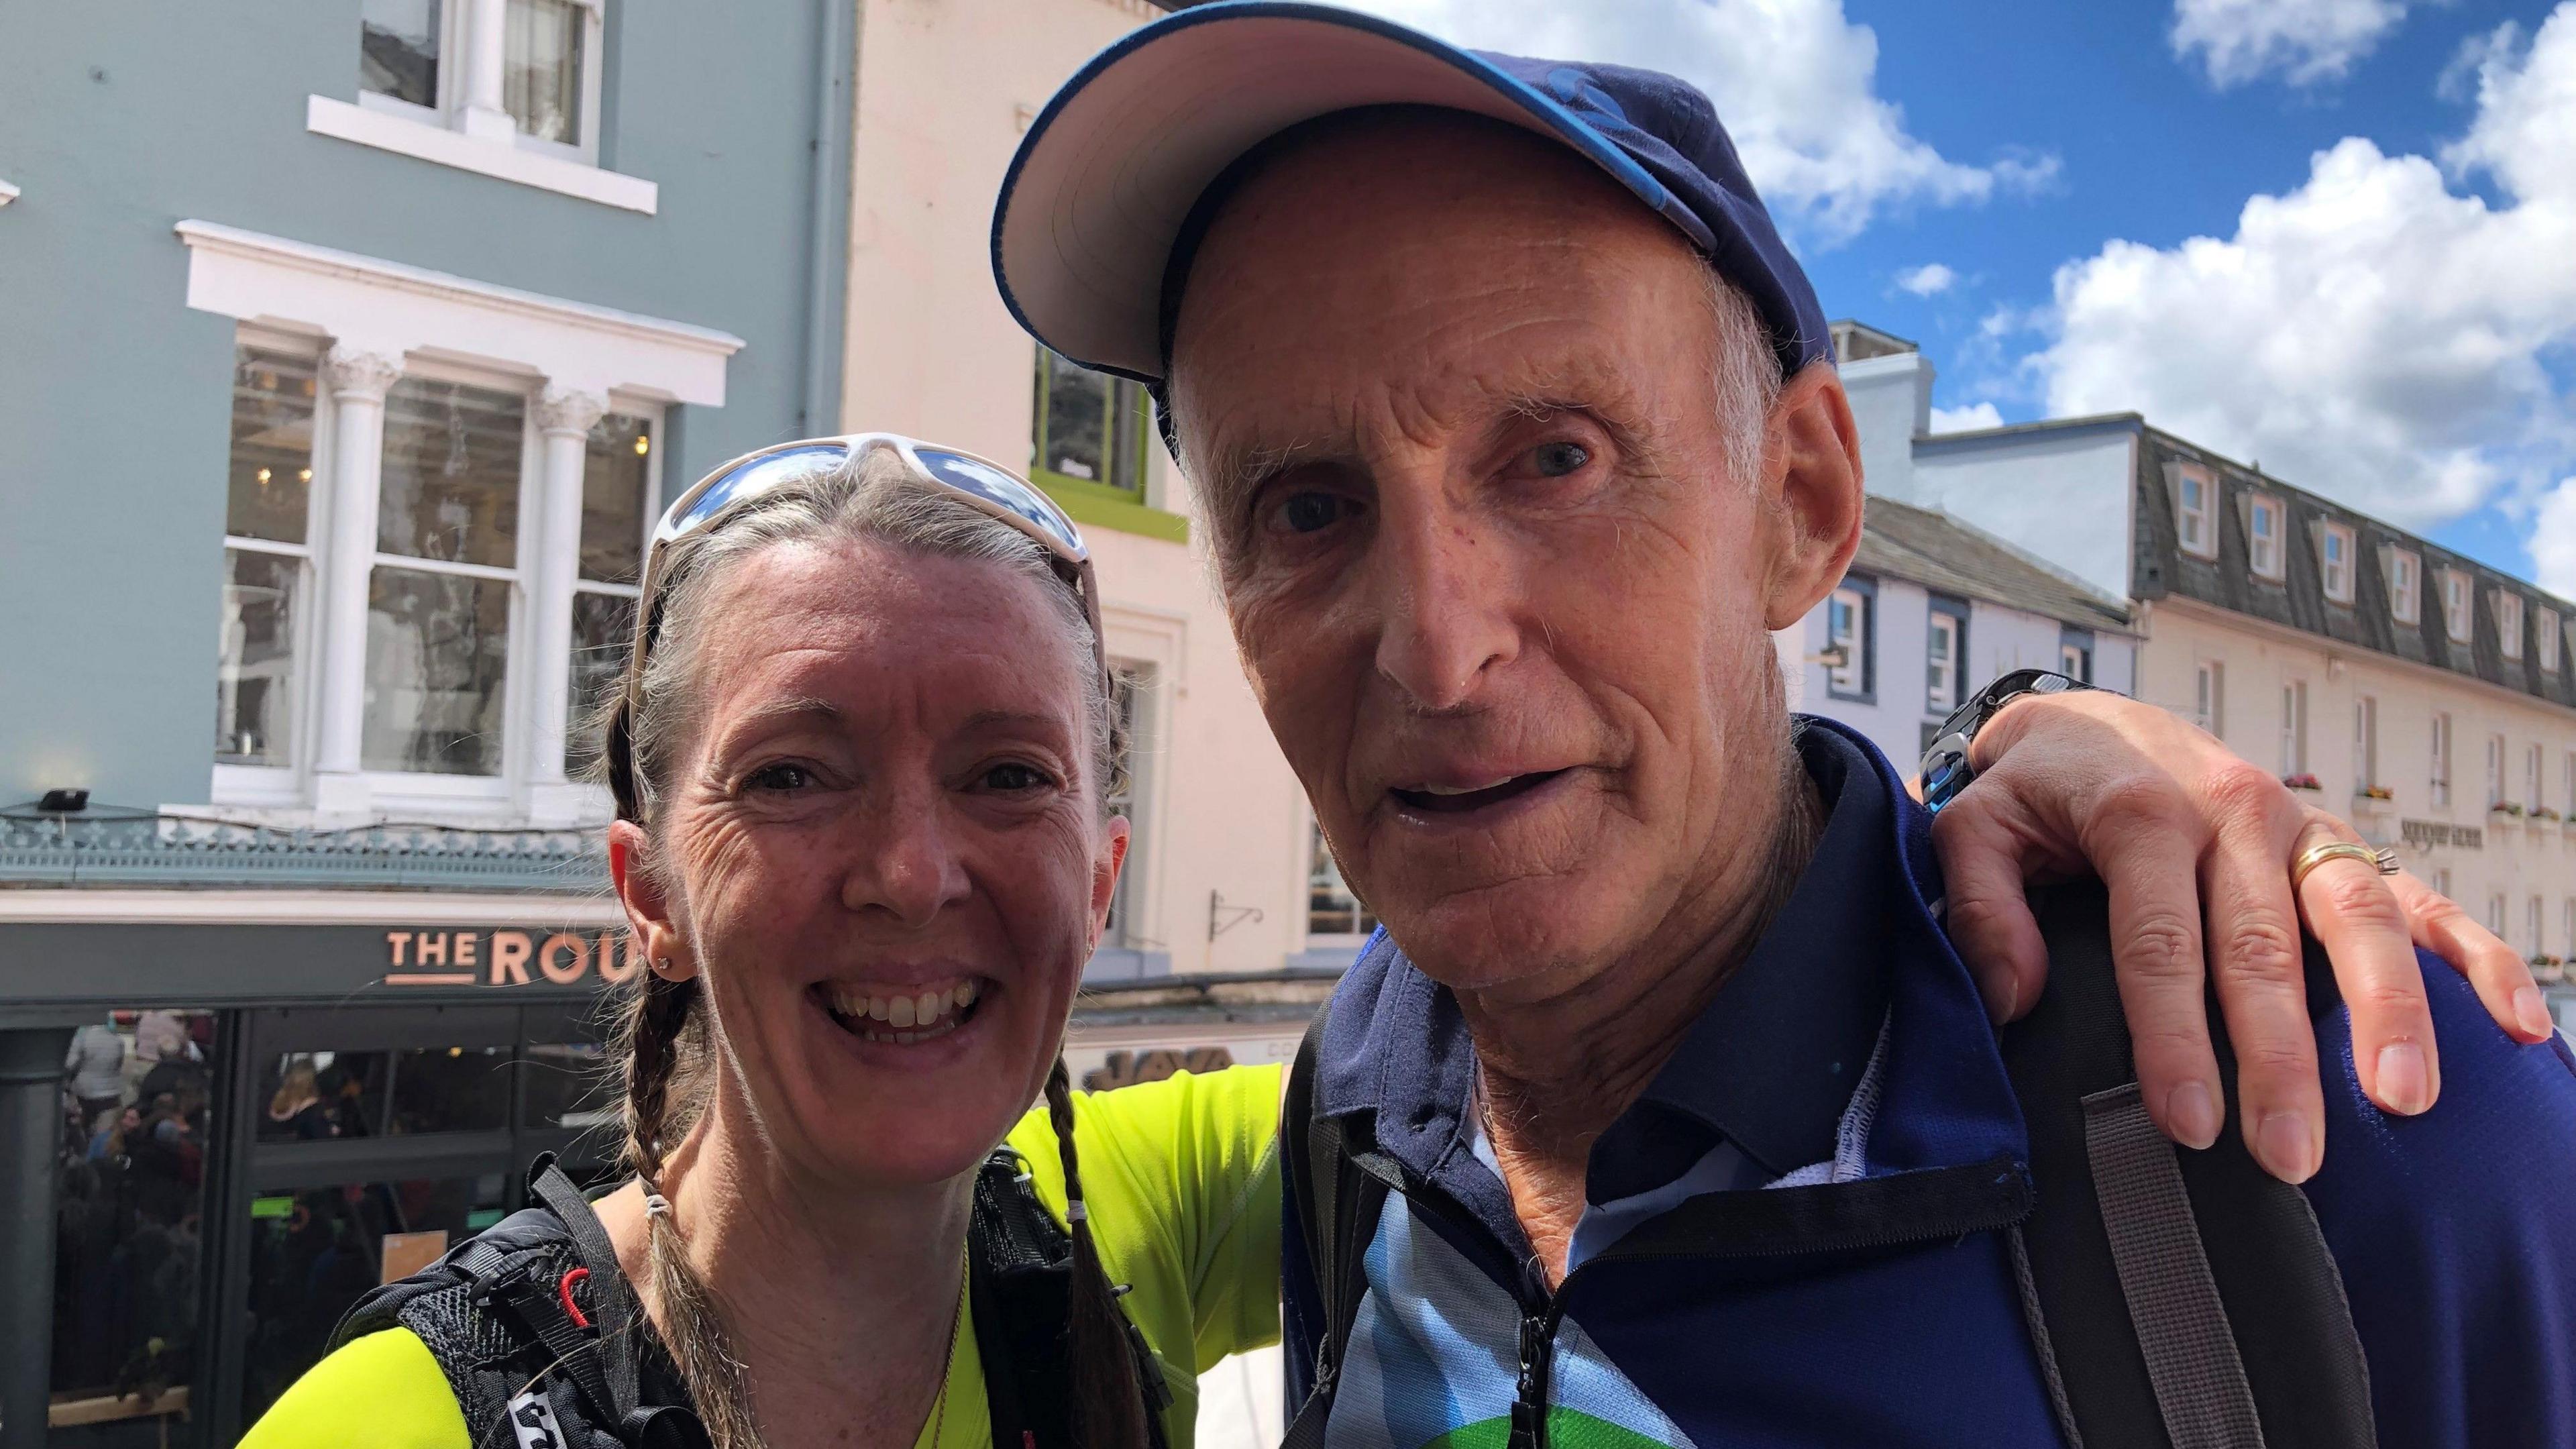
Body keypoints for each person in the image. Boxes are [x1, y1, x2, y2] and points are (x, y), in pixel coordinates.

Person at [989, 6, 2576, 1444]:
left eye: (1556, 460)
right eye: (1310, 505)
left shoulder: (2342, 1120)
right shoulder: (1363, 1092)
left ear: (1803, 504)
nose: (1438, 651)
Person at [241, 441, 1282, 1449]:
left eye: (1010, 776)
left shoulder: (1141, 1213)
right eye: (790, 777)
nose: (912, 878)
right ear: (653, 893)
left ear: (1099, 880)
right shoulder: (401, 1421)